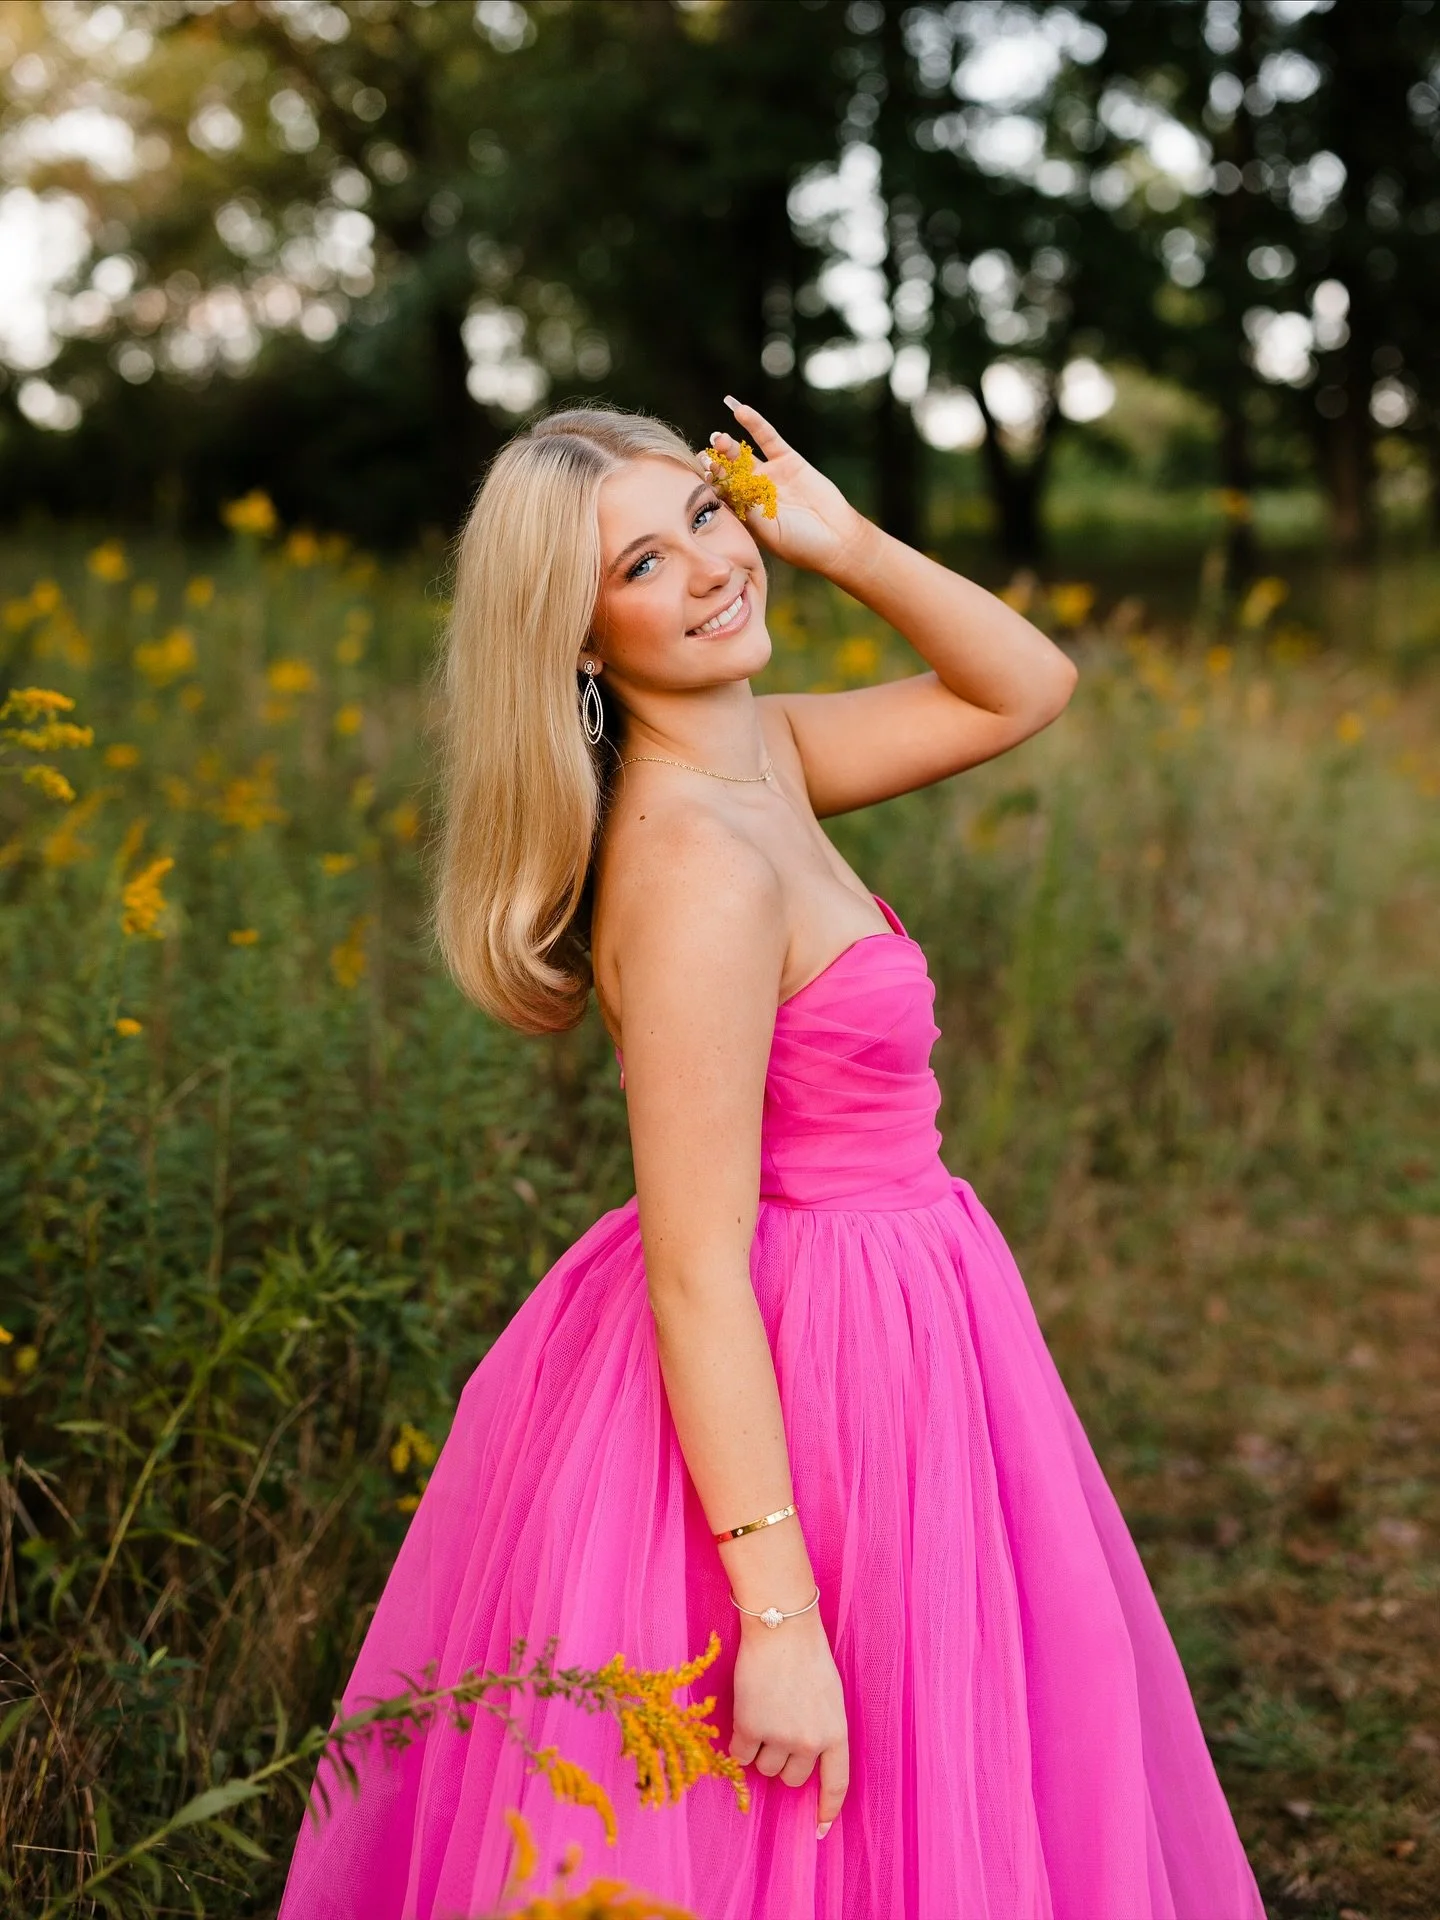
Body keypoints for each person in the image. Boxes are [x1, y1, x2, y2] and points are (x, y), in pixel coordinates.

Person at [278, 399, 1266, 1919]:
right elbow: (695, 1269)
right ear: (578, 641)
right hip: (805, 1347)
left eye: (705, 517)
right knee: (795, 1814)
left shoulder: (772, 754)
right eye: (640, 567)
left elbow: (1025, 685)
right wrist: (781, 1617)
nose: (707, 570)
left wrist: (846, 542)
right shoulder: (697, 868)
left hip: (907, 1306)